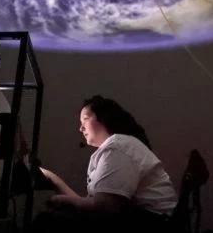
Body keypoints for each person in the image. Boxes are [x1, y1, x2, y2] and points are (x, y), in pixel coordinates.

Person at [32, 95, 177, 232]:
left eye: (85, 119)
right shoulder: (117, 147)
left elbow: (105, 207)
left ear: (104, 118)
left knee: (49, 220)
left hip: (152, 224)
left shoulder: (118, 146)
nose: (80, 128)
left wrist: (61, 200)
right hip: (146, 220)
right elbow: (97, 204)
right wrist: (54, 180)